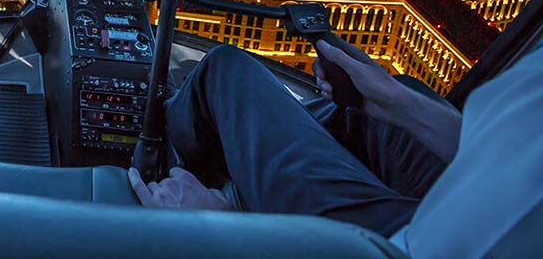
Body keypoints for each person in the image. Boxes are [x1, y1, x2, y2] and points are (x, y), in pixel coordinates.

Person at [128, 39, 543, 257]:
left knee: (227, 70)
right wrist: (398, 103)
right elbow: (513, 153)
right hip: (477, 197)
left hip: (402, 243)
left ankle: (170, 166)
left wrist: (222, 232)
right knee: (388, 104)